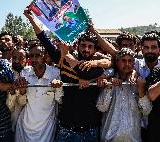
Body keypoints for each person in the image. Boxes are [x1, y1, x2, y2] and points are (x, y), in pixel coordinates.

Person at [23, 8, 112, 142]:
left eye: (90, 47)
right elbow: (44, 40)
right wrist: (31, 19)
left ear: (95, 49)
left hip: (90, 129)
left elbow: (84, 74)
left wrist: (68, 55)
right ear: (77, 46)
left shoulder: (96, 66)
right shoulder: (62, 60)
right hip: (66, 129)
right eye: (83, 45)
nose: (86, 49)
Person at [97, 48, 152, 142]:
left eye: (130, 61)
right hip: (110, 138)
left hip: (132, 138)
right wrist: (109, 87)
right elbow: (101, 107)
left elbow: (146, 111)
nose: (127, 64)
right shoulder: (109, 79)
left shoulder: (139, 82)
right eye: (123, 60)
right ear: (117, 62)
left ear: (134, 63)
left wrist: (141, 91)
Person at [15, 43, 63, 142]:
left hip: (46, 129)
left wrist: (58, 87)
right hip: (24, 127)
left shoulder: (55, 73)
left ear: (45, 56)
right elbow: (21, 102)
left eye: (37, 55)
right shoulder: (25, 73)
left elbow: (60, 100)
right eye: (31, 56)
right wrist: (22, 91)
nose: (33, 59)